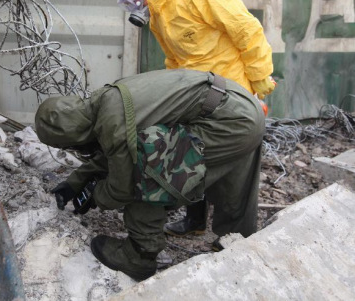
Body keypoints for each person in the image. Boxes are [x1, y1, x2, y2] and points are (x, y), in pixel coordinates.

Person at [35, 69, 265, 281]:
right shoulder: (105, 99)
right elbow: (117, 148)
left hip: (230, 123)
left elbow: (122, 186)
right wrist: (74, 183)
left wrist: (96, 195)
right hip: (240, 104)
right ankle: (238, 244)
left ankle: (138, 256)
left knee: (144, 169)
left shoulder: (113, 124)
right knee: (230, 182)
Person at [114, 0, 275, 237]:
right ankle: (194, 222)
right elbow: (175, 60)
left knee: (237, 170)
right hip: (199, 94)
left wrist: (260, 75)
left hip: (234, 93)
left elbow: (245, 29)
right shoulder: (159, 17)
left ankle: (232, 237)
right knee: (191, 153)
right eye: (126, 2)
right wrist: (174, 94)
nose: (134, 7)